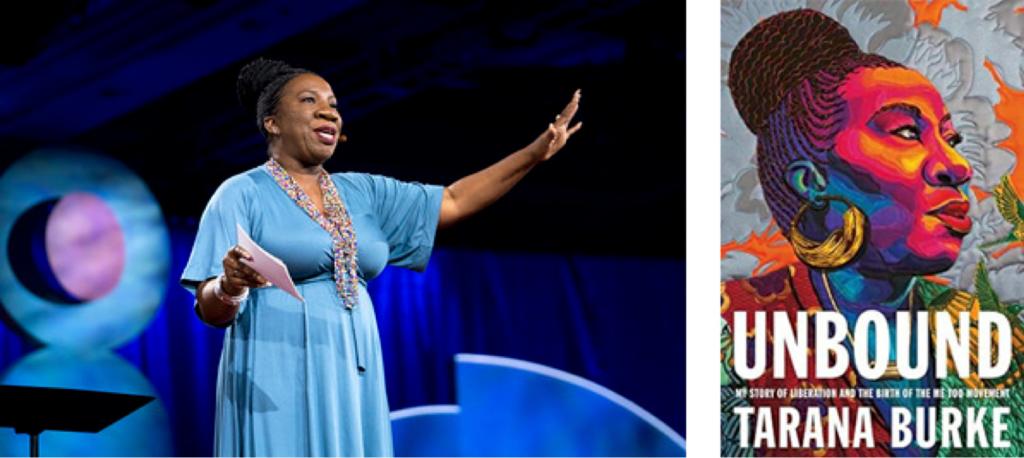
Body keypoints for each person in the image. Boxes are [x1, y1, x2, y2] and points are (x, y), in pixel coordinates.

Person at [180, 57, 582, 456]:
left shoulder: (363, 193)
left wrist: (533, 154)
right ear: (272, 122)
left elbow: (455, 201)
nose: (328, 111)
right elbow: (211, 309)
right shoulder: (241, 193)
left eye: (334, 104)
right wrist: (230, 285)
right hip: (276, 371)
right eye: (308, 101)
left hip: (352, 371)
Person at [721, 9, 1024, 457]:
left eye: (950, 140)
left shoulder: (1002, 344)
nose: (957, 167)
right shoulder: (727, 336)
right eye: (905, 131)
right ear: (812, 180)